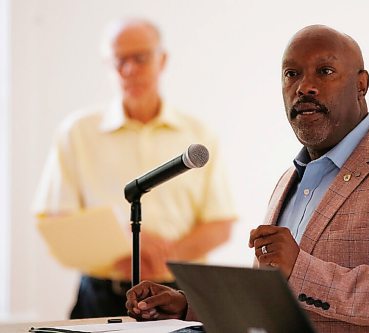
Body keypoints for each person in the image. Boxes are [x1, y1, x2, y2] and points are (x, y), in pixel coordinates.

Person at [125, 25, 369, 332]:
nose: (305, 87)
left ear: (362, 84)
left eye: (325, 71)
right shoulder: (289, 179)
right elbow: (276, 306)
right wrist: (187, 306)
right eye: (292, 74)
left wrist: (302, 269)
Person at [33, 18, 237, 319]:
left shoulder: (199, 135)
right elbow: (55, 218)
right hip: (101, 296)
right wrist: (124, 243)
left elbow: (220, 224)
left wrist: (167, 254)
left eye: (139, 58)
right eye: (119, 61)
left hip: (178, 296)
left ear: (162, 60)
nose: (129, 70)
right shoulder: (76, 133)